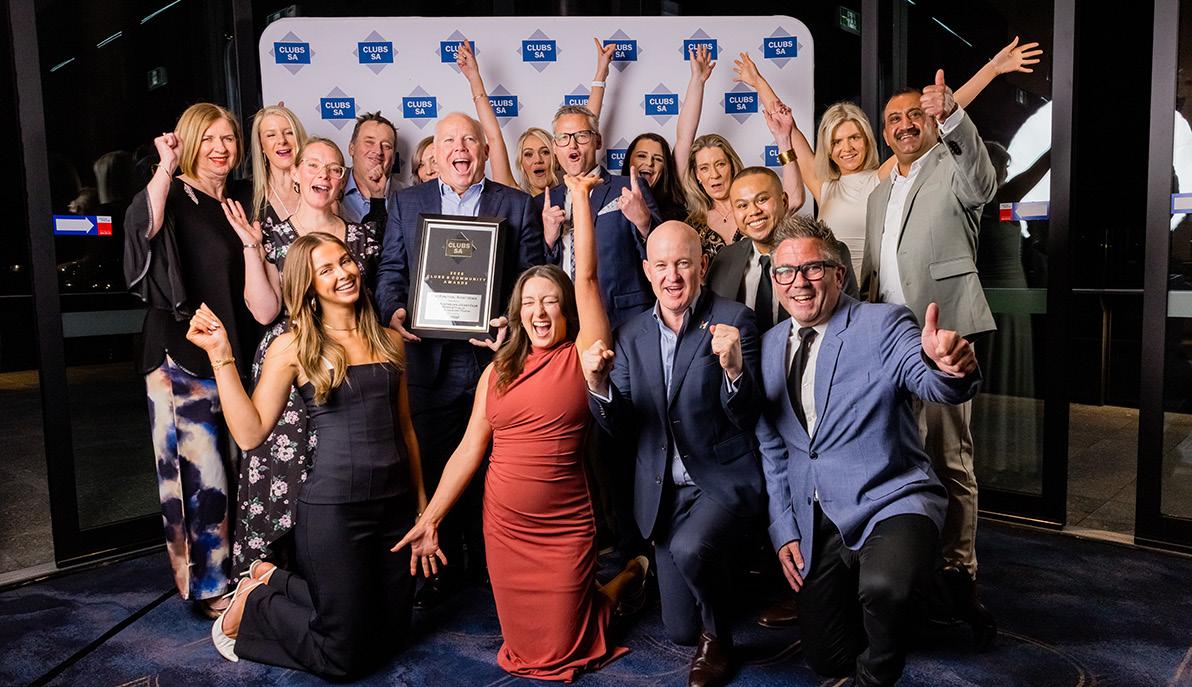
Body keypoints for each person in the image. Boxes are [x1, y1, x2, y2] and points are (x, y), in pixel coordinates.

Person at [395, 173, 645, 681]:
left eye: (550, 300)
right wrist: (431, 517)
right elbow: (468, 450)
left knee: (559, 651)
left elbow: (588, 278)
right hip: (506, 528)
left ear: (566, 308)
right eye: (528, 302)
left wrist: (580, 198)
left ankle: (625, 580)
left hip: (565, 523)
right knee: (528, 649)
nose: (538, 311)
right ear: (517, 312)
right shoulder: (497, 372)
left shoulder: (580, 355)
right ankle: (619, 584)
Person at [186, 232, 425, 679]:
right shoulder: (293, 346)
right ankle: (254, 603)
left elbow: (406, 429)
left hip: (394, 506)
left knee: (391, 636)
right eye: (326, 270)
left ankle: (269, 576)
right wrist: (221, 356)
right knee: (343, 658)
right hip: (335, 509)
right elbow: (251, 433)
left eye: (345, 261)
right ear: (308, 286)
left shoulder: (389, 342)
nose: (344, 273)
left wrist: (422, 510)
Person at [756, 216, 980, 686]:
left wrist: (949, 368)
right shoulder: (770, 345)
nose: (799, 282)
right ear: (774, 279)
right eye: (785, 272)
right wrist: (783, 527)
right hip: (819, 515)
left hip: (889, 499)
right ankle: (936, 587)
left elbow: (926, 377)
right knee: (826, 660)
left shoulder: (883, 323)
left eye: (813, 268)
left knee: (886, 589)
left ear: (838, 274)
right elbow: (774, 448)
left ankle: (889, 644)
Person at [583, 220, 764, 687]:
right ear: (647, 271)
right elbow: (623, 427)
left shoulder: (735, 320)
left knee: (690, 549)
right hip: (663, 493)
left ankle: (719, 638)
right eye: (661, 265)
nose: (672, 276)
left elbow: (748, 416)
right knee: (680, 631)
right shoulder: (630, 334)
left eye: (683, 263)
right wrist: (598, 386)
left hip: (718, 480)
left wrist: (735, 371)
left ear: (702, 265)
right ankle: (717, 577)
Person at [376, 111, 545, 606]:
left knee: (495, 468)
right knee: (434, 464)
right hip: (428, 362)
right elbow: (390, 270)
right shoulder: (407, 203)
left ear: (485, 151)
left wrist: (511, 320)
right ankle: (441, 571)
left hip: (494, 361)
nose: (460, 149)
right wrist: (394, 309)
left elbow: (532, 277)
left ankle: (495, 568)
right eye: (449, 140)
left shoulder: (516, 204)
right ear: (436, 151)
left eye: (469, 140)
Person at [861, 69, 999, 647]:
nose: (903, 125)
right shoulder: (877, 193)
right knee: (896, 457)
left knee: (950, 458)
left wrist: (954, 118)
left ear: (930, 121)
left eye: (913, 115)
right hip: (890, 341)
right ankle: (911, 567)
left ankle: (959, 571)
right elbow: (872, 270)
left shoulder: (952, 164)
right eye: (893, 119)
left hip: (944, 335)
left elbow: (983, 182)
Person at [732, 38, 1042, 274]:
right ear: (829, 149)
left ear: (868, 140)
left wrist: (992, 69)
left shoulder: (882, 177)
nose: (846, 148)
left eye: (854, 138)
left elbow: (935, 118)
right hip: (830, 295)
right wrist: (759, 83)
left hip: (871, 296)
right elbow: (789, 128)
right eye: (837, 142)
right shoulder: (823, 186)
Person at [123, 102, 258, 618]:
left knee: (236, 469)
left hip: (231, 354)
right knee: (198, 477)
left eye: (228, 138)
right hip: (180, 356)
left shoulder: (236, 201)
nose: (220, 148)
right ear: (188, 143)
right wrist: (165, 166)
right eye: (208, 138)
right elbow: (144, 228)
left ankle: (240, 572)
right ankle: (207, 587)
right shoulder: (173, 192)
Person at [227, 137, 385, 575]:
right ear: (295, 173)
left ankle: (337, 569)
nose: (324, 175)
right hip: (293, 363)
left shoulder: (361, 236)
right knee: (282, 470)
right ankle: (268, 579)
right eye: (313, 165)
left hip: (345, 363)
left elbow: (370, 305)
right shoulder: (271, 233)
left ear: (343, 179)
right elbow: (265, 312)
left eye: (334, 169)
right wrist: (252, 250)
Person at [534, 104, 659, 330]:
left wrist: (645, 223)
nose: (572, 144)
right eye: (563, 138)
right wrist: (549, 241)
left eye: (581, 136)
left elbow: (663, 252)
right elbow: (533, 270)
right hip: (563, 322)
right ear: (554, 147)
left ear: (597, 141)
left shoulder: (629, 188)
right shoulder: (544, 203)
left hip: (621, 320)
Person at [675, 45, 804, 259]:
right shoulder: (693, 221)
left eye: (720, 164)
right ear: (697, 175)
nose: (714, 175)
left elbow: (795, 198)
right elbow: (683, 140)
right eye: (704, 168)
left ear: (732, 166)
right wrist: (697, 80)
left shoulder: (758, 210)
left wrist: (783, 140)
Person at [708, 167, 859, 333]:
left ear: (784, 201)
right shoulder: (725, 258)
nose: (754, 211)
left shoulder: (829, 252)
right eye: (742, 205)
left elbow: (848, 321)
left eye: (762, 200)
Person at [248, 105, 307, 230]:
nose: (282, 140)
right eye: (271, 135)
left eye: (289, 132)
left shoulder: (318, 190)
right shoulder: (244, 194)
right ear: (261, 146)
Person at [341, 111, 400, 225]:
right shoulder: (331, 188)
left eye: (386, 146)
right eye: (369, 142)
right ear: (351, 148)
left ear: (393, 157)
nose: (378, 151)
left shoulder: (408, 196)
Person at [621, 133, 687, 222]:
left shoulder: (676, 215)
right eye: (642, 156)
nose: (649, 163)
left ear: (665, 168)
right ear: (628, 160)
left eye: (658, 159)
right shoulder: (609, 197)